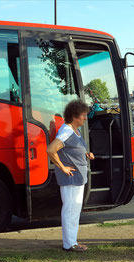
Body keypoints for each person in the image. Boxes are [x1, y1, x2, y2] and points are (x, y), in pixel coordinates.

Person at [47, 100, 94, 252]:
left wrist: (86, 154)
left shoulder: (73, 130)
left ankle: (72, 241)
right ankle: (69, 244)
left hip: (77, 178)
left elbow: (72, 149)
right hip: (71, 178)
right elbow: (51, 150)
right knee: (70, 209)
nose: (85, 118)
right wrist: (62, 167)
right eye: (83, 116)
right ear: (74, 116)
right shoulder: (66, 131)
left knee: (74, 209)